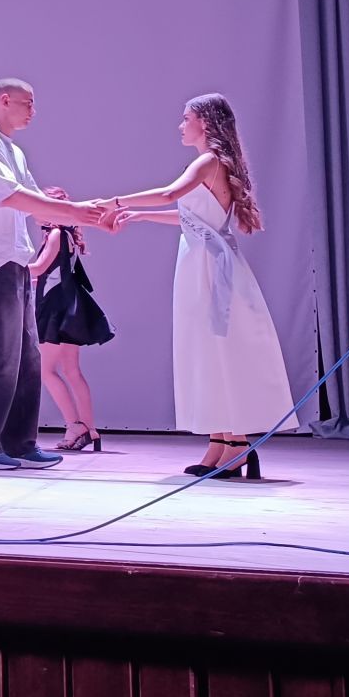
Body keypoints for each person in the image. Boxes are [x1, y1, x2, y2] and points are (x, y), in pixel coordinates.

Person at [101, 93, 296, 478]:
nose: (180, 125)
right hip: (202, 261)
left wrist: (115, 201)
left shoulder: (207, 161)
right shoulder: (215, 163)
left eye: (186, 118)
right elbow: (192, 218)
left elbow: (170, 194)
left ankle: (236, 443)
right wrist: (139, 215)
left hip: (210, 267)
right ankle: (221, 441)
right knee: (207, 352)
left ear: (204, 123)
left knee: (219, 351)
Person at [0, 79, 113, 471]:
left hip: (14, 261)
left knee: (27, 359)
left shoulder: (13, 151)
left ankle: (18, 444)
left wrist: (87, 216)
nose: (33, 110)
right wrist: (76, 212)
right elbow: (11, 197)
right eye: (27, 103)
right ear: (4, 101)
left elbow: (38, 206)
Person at [29, 185, 114, 451]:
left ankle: (74, 426)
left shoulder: (55, 234)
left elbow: (39, 268)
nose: (33, 211)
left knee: (46, 371)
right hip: (68, 306)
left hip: (55, 308)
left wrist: (8, 267)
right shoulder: (66, 234)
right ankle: (90, 429)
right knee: (71, 371)